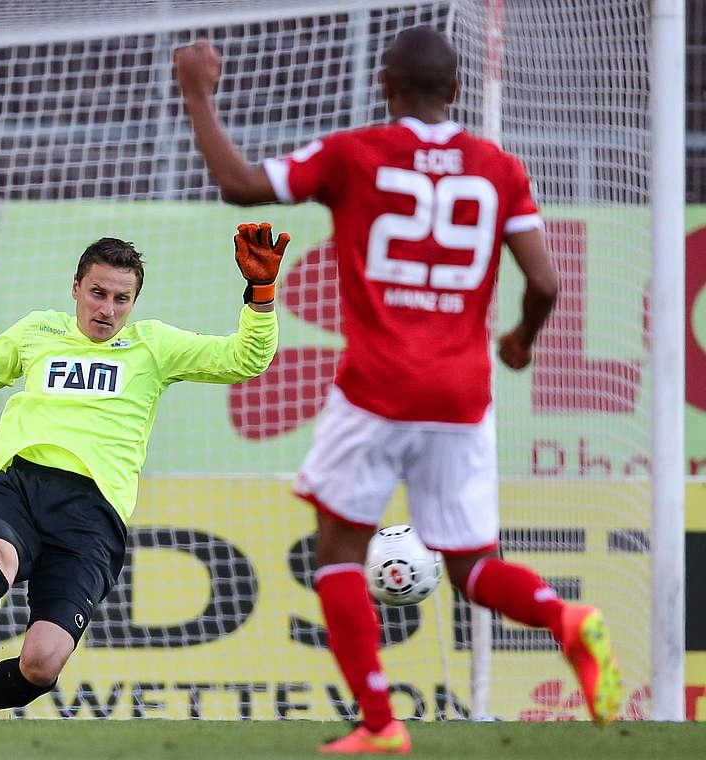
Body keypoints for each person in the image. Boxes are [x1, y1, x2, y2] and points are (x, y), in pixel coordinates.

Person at [174, 26, 620, 753]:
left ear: (385, 86)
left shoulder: (354, 154)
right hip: (463, 396)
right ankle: (566, 620)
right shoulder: (499, 169)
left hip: (378, 388)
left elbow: (240, 186)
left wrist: (197, 94)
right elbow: (545, 281)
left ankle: (380, 724)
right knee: (474, 567)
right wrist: (518, 341)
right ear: (456, 91)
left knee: (339, 554)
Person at [0, 230, 285, 719]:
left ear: (135, 300)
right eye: (98, 293)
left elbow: (246, 358)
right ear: (76, 287)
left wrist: (260, 297)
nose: (107, 310)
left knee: (42, 665)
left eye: (122, 299)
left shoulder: (153, 346)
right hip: (24, 484)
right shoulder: (40, 332)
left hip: (93, 518)